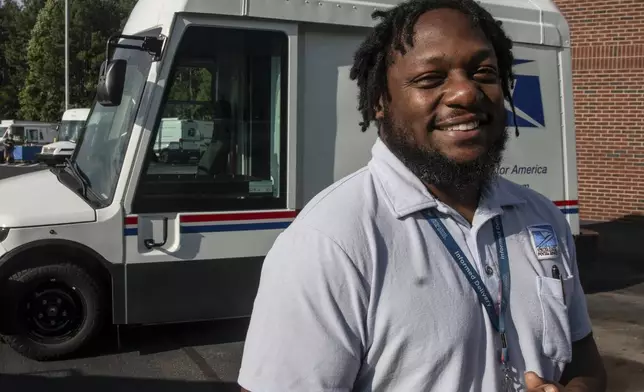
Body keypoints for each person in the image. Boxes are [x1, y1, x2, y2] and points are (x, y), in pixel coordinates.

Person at [238, 0, 607, 391]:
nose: (466, 92)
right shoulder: (329, 242)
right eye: (431, 78)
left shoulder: (540, 216)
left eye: (483, 72)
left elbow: (581, 354)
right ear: (380, 101)